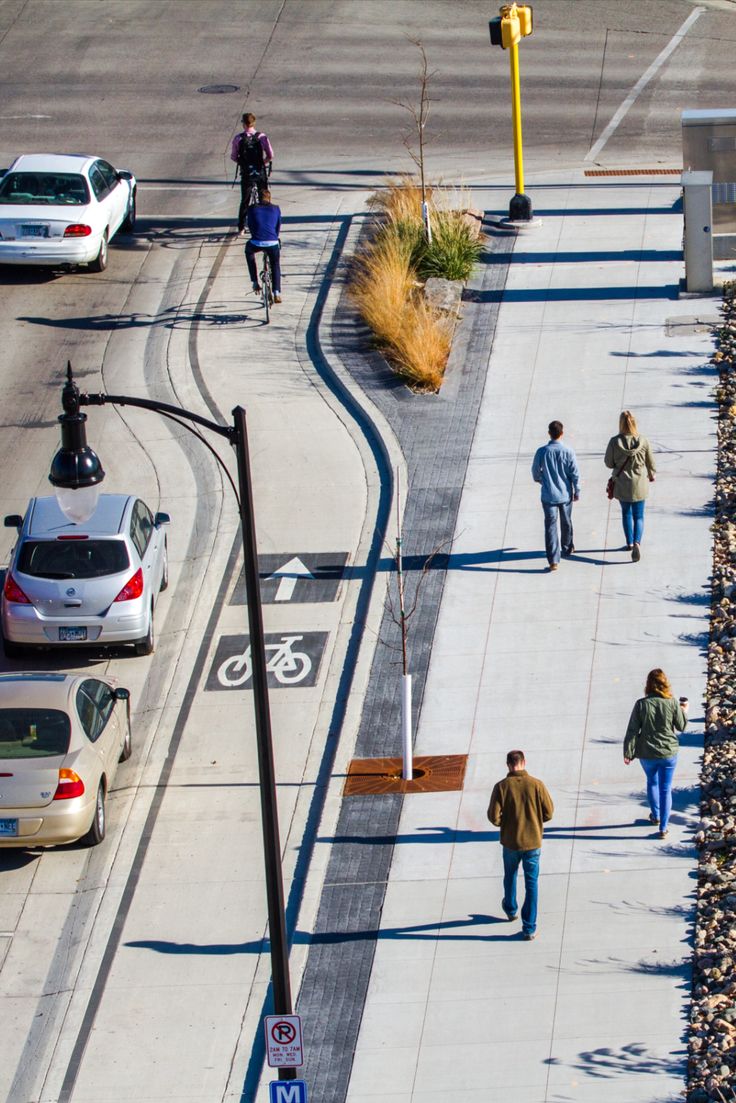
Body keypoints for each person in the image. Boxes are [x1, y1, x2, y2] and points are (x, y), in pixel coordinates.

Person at [488, 750, 554, 941]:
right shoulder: (537, 785)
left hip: (510, 842)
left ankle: (510, 908)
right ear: (524, 762)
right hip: (533, 842)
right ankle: (529, 927)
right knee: (531, 884)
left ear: (508, 765)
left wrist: (506, 824)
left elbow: (493, 816)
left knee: (510, 875)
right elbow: (549, 813)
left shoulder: (501, 787)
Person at [623, 668, 688, 839]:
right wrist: (684, 711)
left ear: (648, 685)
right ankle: (664, 827)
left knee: (652, 782)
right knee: (665, 789)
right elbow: (681, 726)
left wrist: (628, 752)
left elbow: (632, 730)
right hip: (668, 752)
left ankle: (656, 815)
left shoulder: (641, 704)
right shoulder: (673, 703)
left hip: (647, 752)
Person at [604, 410, 656, 562]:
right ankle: (638, 542)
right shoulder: (643, 441)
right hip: (640, 483)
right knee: (639, 516)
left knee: (626, 514)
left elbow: (608, 463)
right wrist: (651, 474)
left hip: (622, 483)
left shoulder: (614, 442)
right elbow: (651, 462)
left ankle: (629, 543)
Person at [531, 420, 581, 571]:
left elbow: (535, 473)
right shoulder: (568, 451)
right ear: (562, 433)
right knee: (566, 522)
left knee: (550, 526)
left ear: (549, 433)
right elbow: (575, 474)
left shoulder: (542, 452)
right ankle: (567, 547)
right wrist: (576, 490)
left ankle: (553, 560)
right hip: (565, 495)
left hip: (548, 496)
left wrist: (543, 481)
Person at [230, 112, 274, 234]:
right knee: (264, 197)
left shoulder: (238, 139)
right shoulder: (261, 137)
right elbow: (271, 155)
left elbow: (233, 157)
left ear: (244, 124)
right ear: (253, 123)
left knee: (245, 200)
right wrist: (262, 162)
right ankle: (265, 222)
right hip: (259, 171)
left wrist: (243, 163)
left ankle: (241, 227)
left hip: (247, 173)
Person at [245, 189, 282, 302]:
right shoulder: (276, 209)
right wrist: (274, 237)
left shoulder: (252, 209)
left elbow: (250, 225)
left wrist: (256, 235)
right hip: (272, 242)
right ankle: (276, 292)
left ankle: (255, 282)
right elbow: (277, 226)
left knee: (249, 252)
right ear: (269, 199)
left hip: (256, 242)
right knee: (275, 264)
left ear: (259, 199)